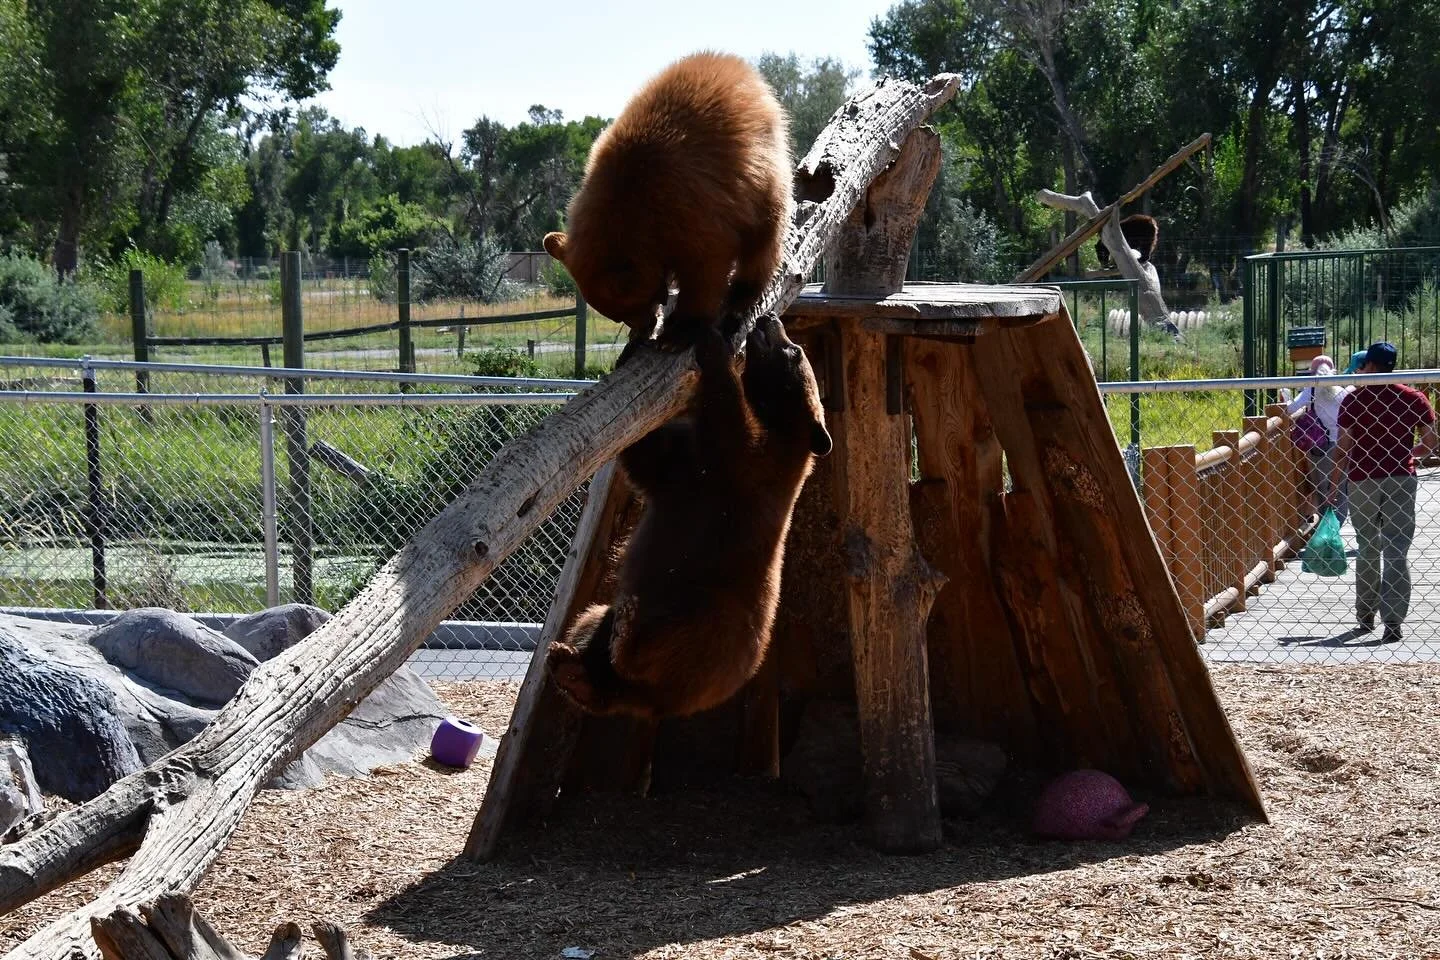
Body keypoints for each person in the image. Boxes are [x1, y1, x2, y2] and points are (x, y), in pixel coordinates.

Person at [1330, 341, 1439, 643]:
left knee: (1367, 546)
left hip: (1362, 477)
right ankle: (1393, 621)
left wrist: (1333, 487)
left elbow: (1343, 448)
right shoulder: (1414, 398)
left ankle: (1365, 614)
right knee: (1396, 548)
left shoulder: (1354, 401)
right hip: (1401, 477)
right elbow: (1431, 442)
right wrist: (1408, 451)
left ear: (1372, 366)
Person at [1286, 354, 1353, 521]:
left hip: (1322, 446)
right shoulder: (1341, 391)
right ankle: (1338, 521)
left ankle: (1328, 523)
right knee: (1341, 486)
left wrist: (1286, 396)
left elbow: (1291, 409)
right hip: (1344, 443)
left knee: (1323, 487)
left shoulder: (1313, 389)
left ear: (1312, 373)